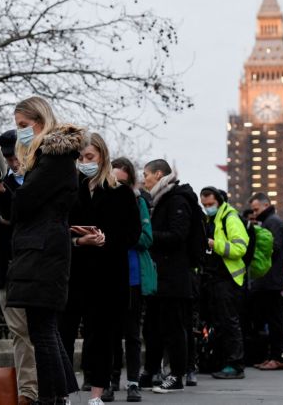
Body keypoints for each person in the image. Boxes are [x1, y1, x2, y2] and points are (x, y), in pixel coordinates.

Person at [4, 96, 84, 405]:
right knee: (43, 329)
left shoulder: (53, 160)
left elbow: (24, 204)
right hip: (41, 248)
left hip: (42, 251)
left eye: (24, 126)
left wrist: (14, 185)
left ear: (40, 122)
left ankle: (52, 397)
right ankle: (56, 395)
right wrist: (8, 188)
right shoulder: (51, 159)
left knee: (43, 331)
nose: (21, 132)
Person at [59, 132, 141, 405]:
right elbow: (59, 228)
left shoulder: (122, 193)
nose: (84, 162)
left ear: (103, 156)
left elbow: (133, 233)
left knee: (103, 336)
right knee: (65, 333)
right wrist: (79, 240)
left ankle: (97, 393)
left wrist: (107, 239)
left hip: (108, 275)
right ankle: (65, 393)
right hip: (75, 273)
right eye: (80, 158)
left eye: (89, 157)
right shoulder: (70, 189)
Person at [0, 130, 38, 405]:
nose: (13, 162)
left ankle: (38, 387)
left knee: (39, 332)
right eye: (8, 158)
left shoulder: (36, 182)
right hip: (8, 265)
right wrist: (2, 218)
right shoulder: (1, 183)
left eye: (14, 156)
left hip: (34, 265)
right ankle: (27, 390)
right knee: (19, 332)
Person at [141, 159, 199, 393]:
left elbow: (178, 235)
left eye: (146, 174)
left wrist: (147, 234)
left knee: (174, 327)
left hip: (174, 276)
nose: (144, 179)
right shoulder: (160, 199)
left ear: (158, 174)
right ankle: (150, 371)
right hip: (160, 275)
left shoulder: (176, 199)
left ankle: (177, 375)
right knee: (152, 326)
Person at [104, 157, 153, 402]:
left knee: (132, 332)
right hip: (108, 273)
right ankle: (111, 380)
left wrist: (121, 236)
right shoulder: (102, 200)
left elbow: (146, 238)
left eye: (124, 183)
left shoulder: (138, 201)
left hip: (131, 274)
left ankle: (132, 381)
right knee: (110, 331)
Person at [199, 186, 249, 379]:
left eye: (210, 204)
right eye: (204, 205)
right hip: (215, 278)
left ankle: (235, 365)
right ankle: (223, 362)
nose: (207, 208)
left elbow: (240, 248)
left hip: (228, 279)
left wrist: (214, 244)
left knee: (230, 322)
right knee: (220, 322)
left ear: (219, 201)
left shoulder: (230, 218)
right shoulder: (212, 218)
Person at [249, 193, 283, 371]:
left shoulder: (273, 222)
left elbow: (274, 248)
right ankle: (270, 356)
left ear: (266, 205)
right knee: (267, 318)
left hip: (270, 279)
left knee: (274, 320)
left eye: (256, 209)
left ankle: (276, 357)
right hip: (267, 278)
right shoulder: (269, 221)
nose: (254, 213)